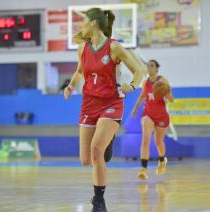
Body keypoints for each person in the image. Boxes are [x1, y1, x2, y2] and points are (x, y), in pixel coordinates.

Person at [64, 8, 146, 212]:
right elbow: (79, 71)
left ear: (93, 23)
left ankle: (99, 200)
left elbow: (139, 71)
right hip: (89, 104)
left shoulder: (114, 47)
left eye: (83, 21)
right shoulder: (82, 48)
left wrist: (132, 86)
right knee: (85, 160)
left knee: (96, 150)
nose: (80, 25)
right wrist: (71, 86)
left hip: (111, 103)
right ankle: (106, 142)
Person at [131, 59, 174, 180]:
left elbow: (171, 100)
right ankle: (143, 169)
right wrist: (134, 109)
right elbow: (142, 96)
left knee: (158, 142)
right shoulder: (145, 83)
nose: (149, 68)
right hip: (148, 115)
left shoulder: (163, 81)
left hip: (161, 116)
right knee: (145, 140)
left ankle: (162, 160)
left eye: (151, 66)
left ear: (156, 69)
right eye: (148, 66)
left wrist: (167, 90)